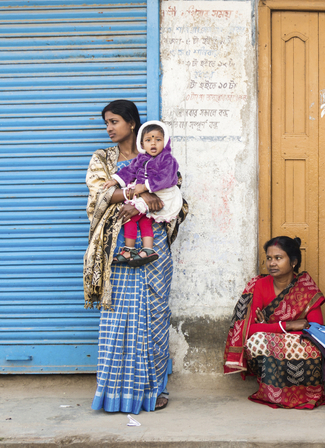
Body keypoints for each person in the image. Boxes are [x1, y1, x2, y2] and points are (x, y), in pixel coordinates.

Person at [83, 100, 187, 414]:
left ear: (132, 123)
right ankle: (115, 394)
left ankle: (154, 390)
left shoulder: (161, 156)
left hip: (154, 247)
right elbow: (100, 193)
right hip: (117, 246)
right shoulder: (104, 158)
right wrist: (142, 193)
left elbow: (175, 196)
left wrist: (151, 196)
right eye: (106, 123)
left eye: (114, 121)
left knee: (154, 316)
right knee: (118, 317)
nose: (109, 128)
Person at [223, 236, 325, 409]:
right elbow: (246, 330)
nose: (272, 263)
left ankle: (306, 394)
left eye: (278, 258)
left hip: (298, 344)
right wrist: (288, 325)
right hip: (273, 343)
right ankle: (271, 393)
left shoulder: (306, 289)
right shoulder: (259, 285)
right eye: (269, 258)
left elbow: (316, 330)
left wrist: (268, 328)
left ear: (293, 262)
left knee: (309, 348)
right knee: (257, 342)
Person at [102, 121, 183, 267]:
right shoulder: (141, 158)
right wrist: (115, 180)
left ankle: (129, 250)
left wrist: (144, 187)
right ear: (141, 143)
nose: (153, 143)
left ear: (165, 141)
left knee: (130, 218)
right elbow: (129, 171)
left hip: (164, 194)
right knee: (145, 221)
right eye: (148, 140)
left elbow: (167, 179)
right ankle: (147, 249)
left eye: (158, 139)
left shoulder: (167, 159)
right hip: (144, 192)